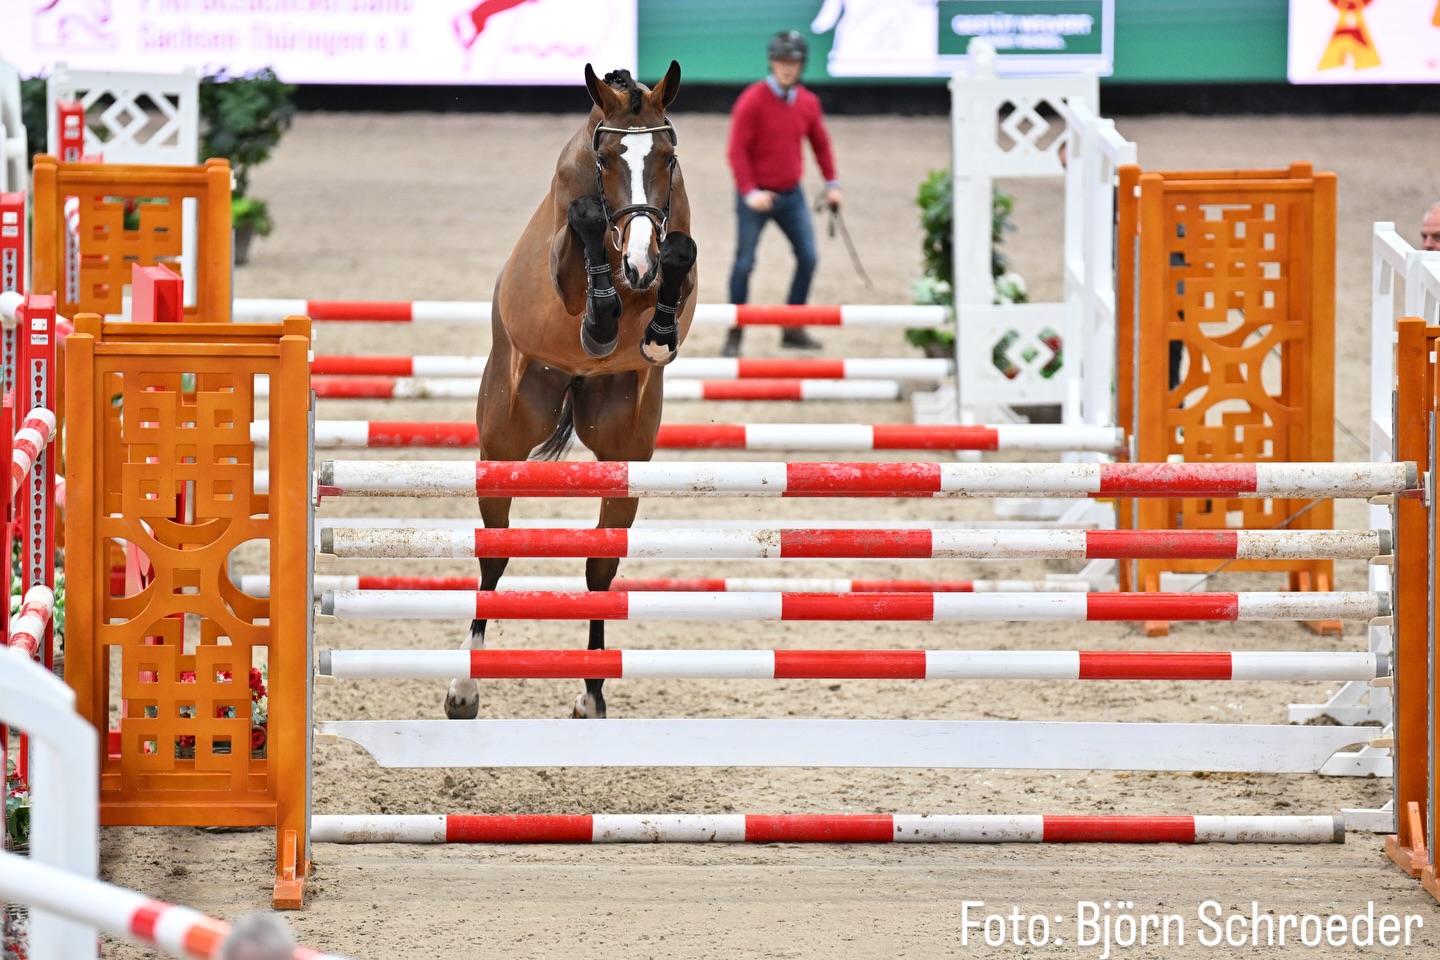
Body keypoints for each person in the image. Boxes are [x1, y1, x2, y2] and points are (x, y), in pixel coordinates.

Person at [721, 29, 844, 357]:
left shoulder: (808, 103)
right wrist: (749, 192)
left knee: (809, 257)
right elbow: (736, 152)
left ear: (802, 64)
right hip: (756, 197)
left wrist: (832, 183)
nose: (787, 67)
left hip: (791, 196)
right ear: (772, 62)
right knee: (744, 264)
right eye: (781, 61)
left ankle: (792, 326)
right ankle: (735, 332)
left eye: (793, 61)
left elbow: (821, 144)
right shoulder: (752, 100)